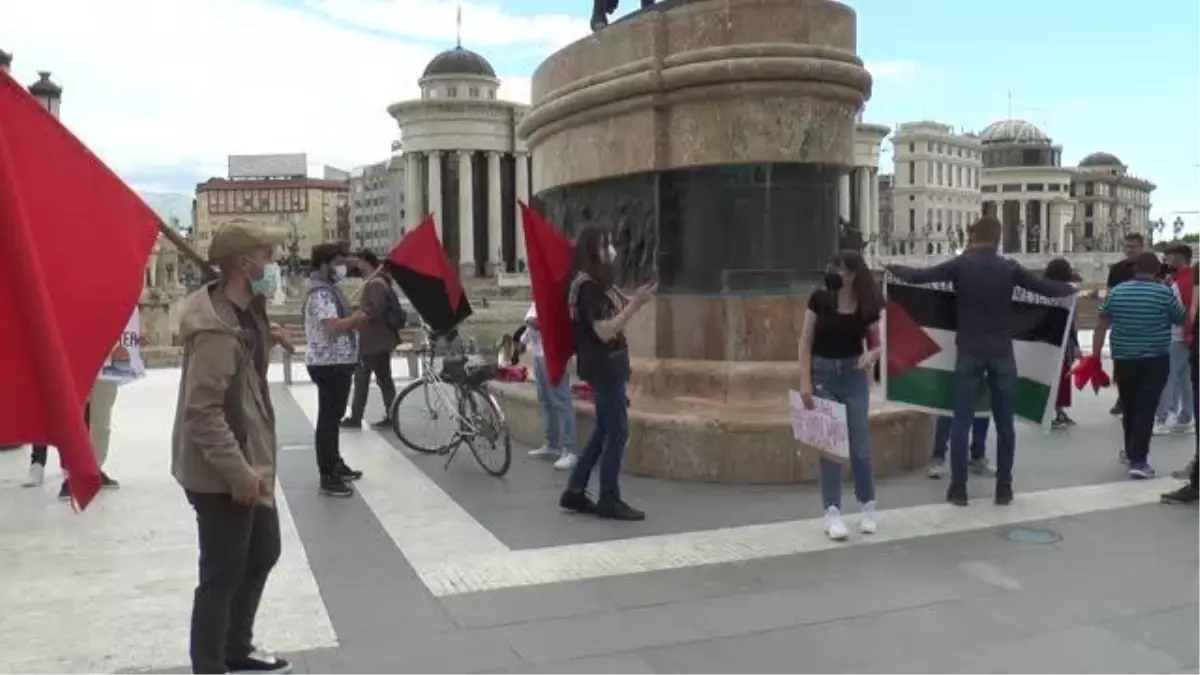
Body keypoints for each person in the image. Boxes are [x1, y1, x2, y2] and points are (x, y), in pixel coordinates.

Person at [172, 220, 294, 675]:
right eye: (266, 256)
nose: (272, 263)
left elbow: (244, 359)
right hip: (221, 470)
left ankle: (236, 647)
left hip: (251, 458)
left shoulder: (245, 312)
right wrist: (238, 472)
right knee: (221, 574)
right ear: (245, 263)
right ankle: (211, 663)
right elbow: (201, 413)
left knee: (263, 549)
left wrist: (268, 336)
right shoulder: (215, 329)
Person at [887, 216, 1075, 507]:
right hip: (1001, 351)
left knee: (961, 420)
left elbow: (921, 277)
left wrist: (893, 269)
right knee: (1004, 425)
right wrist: (1071, 289)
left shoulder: (961, 265)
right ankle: (1004, 488)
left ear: (974, 236)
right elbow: (1045, 290)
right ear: (999, 238)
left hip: (970, 351)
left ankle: (959, 489)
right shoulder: (1009, 267)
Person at [558, 227, 656, 521]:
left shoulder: (596, 284)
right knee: (618, 431)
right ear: (592, 250)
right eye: (604, 245)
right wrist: (636, 305)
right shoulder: (587, 286)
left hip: (605, 364)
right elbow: (604, 330)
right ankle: (609, 497)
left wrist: (636, 298)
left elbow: (617, 307)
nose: (610, 250)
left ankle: (575, 490)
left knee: (603, 429)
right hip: (604, 365)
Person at [798, 251, 882, 541]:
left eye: (844, 270)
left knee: (859, 444)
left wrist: (871, 355)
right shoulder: (819, 299)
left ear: (855, 274)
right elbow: (806, 341)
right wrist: (805, 381)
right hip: (823, 373)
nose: (838, 274)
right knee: (830, 446)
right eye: (836, 268)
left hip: (853, 374)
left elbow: (877, 343)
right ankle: (832, 512)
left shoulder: (865, 304)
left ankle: (867, 506)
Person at [1093, 251, 1184, 479]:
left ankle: (1130, 450)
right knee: (1146, 408)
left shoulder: (1117, 292)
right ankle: (1139, 460)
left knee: (1129, 406)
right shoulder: (1163, 293)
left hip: (1124, 357)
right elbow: (1181, 318)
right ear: (1156, 271)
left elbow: (1102, 323)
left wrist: (1095, 355)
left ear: (1135, 270)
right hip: (1154, 358)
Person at [303, 243, 366, 497]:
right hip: (328, 363)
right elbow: (332, 326)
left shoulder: (330, 290)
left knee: (333, 417)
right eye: (338, 261)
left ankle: (335, 462)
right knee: (328, 420)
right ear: (324, 264)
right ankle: (327, 474)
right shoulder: (321, 294)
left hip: (338, 361)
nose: (343, 266)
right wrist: (357, 319)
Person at [341, 250, 402, 431]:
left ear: (366, 262)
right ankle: (392, 415)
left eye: (359, 262)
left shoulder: (376, 283)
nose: (357, 266)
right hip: (380, 339)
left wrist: (357, 319)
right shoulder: (378, 281)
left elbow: (376, 309)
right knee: (384, 378)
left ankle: (356, 416)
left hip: (373, 340)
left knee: (362, 378)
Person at [1105, 233, 1162, 417]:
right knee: (1121, 363)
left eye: (1133, 246)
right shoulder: (1117, 270)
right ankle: (1123, 397)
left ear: (1142, 247)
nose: (1129, 250)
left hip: (1148, 323)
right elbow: (1109, 295)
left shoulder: (1155, 268)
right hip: (1123, 324)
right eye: (1127, 246)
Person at [523, 302, 579, 470]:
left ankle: (570, 450)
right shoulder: (537, 298)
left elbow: (544, 323)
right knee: (546, 401)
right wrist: (522, 341)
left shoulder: (556, 297)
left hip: (554, 355)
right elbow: (530, 325)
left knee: (562, 401)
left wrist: (533, 322)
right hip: (538, 355)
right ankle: (552, 444)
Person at [1154, 243, 1194, 436]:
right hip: (1188, 337)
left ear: (1179, 257)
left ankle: (1160, 418)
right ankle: (1186, 417)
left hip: (1178, 336)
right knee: (1185, 379)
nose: (1166, 260)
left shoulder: (1181, 282)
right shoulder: (1186, 279)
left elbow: (1182, 310)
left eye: (1169, 257)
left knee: (1167, 377)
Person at [1044, 258, 1081, 429]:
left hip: (1044, 339)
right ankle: (1059, 411)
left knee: (1046, 376)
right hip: (1063, 341)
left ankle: (1046, 411)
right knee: (1061, 379)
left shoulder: (1041, 290)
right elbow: (1072, 322)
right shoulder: (1069, 292)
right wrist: (1076, 344)